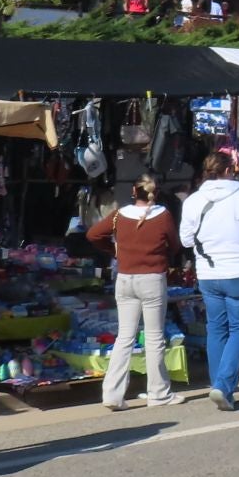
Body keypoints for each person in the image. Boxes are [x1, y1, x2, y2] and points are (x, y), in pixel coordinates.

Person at [179, 150, 239, 410]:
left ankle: (219, 385)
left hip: (209, 273)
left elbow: (186, 240)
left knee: (216, 328)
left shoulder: (193, 201)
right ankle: (224, 386)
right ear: (229, 171)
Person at [86, 175, 184, 410]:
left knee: (124, 337)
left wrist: (115, 250)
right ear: (155, 193)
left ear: (133, 192)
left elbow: (93, 235)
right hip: (151, 279)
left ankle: (112, 394)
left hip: (125, 279)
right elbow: (175, 245)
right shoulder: (163, 215)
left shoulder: (120, 215)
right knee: (153, 338)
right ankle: (158, 393)